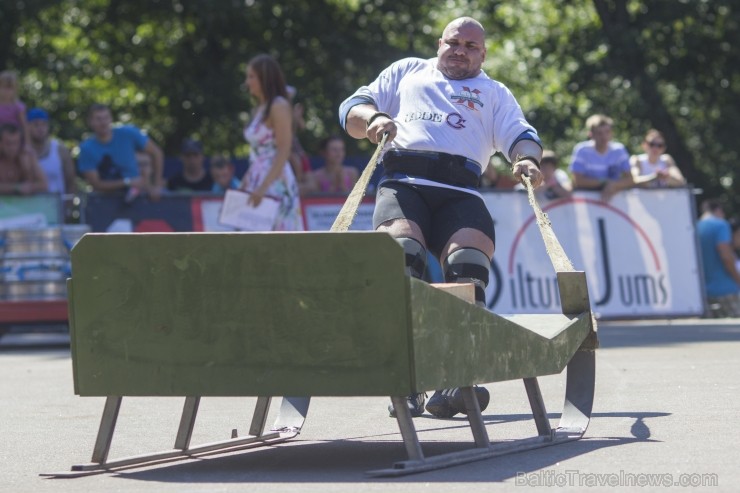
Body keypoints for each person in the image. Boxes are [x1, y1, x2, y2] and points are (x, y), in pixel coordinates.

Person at [339, 17, 543, 419]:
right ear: (439, 44)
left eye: (471, 46)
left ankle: (457, 378)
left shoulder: (494, 92)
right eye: (454, 42)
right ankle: (408, 380)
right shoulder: (406, 71)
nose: (461, 50)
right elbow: (352, 108)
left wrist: (527, 161)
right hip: (404, 184)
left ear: (483, 54)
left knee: (468, 267)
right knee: (403, 254)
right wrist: (375, 120)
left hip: (461, 191)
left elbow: (521, 136)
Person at [241, 54, 304, 231]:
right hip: (257, 178)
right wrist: (246, 181)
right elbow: (257, 152)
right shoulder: (258, 109)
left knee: (279, 239)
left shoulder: (278, 105)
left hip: (275, 182)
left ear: (265, 77)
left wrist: (263, 187)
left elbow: (284, 149)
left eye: (251, 76)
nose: (247, 82)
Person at [77, 104, 165, 200]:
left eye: (106, 117)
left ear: (111, 119)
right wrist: (128, 182)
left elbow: (156, 153)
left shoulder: (129, 133)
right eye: (98, 119)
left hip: (137, 197)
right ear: (90, 122)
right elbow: (96, 184)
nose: (103, 123)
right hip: (105, 202)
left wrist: (157, 185)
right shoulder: (87, 148)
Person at [569, 114, 634, 202]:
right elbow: (578, 181)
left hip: (615, 203)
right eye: (599, 133)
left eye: (607, 132)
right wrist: (606, 183)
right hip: (586, 201)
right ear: (591, 134)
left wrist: (614, 186)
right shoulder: (582, 150)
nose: (604, 137)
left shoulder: (619, 150)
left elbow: (630, 180)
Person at [696, 199, 740, 318]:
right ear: (718, 211)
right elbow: (726, 255)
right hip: (725, 289)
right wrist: (738, 279)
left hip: (702, 293)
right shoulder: (720, 225)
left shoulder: (694, 227)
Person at [26, 108, 77, 195]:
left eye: (44, 124)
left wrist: (69, 205)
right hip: (27, 206)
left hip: (57, 206)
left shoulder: (60, 149)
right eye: (36, 125)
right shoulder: (20, 151)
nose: (40, 129)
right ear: (27, 126)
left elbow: (71, 181)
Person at [0, 123, 48, 194]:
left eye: (15, 143)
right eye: (8, 143)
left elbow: (44, 185)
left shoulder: (27, 156)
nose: (12, 148)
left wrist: (26, 170)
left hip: (22, 204)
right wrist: (16, 187)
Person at [0, 70, 30, 146]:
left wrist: (27, 145)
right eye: (4, 87)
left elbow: (25, 127)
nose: (7, 91)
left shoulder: (18, 107)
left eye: (10, 88)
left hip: (15, 142)